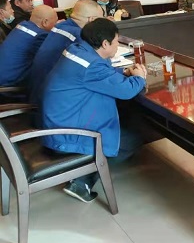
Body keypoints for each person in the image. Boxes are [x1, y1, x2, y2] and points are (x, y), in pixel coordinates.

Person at [41, 18, 147, 203]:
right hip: (66, 135)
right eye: (116, 42)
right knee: (132, 140)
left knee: (126, 119)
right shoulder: (92, 66)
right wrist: (139, 78)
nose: (117, 46)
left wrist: (123, 73)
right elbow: (126, 91)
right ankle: (82, 181)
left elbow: (98, 74)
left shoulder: (78, 50)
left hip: (59, 121)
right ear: (105, 43)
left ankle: (84, 173)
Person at [28, 0, 104, 102]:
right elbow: (96, 63)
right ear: (92, 19)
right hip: (51, 98)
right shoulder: (79, 34)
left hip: (39, 89)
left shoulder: (60, 26)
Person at [0, 5, 58, 86]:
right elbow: (49, 59)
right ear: (45, 22)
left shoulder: (22, 25)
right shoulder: (40, 35)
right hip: (9, 85)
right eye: (55, 22)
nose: (56, 26)